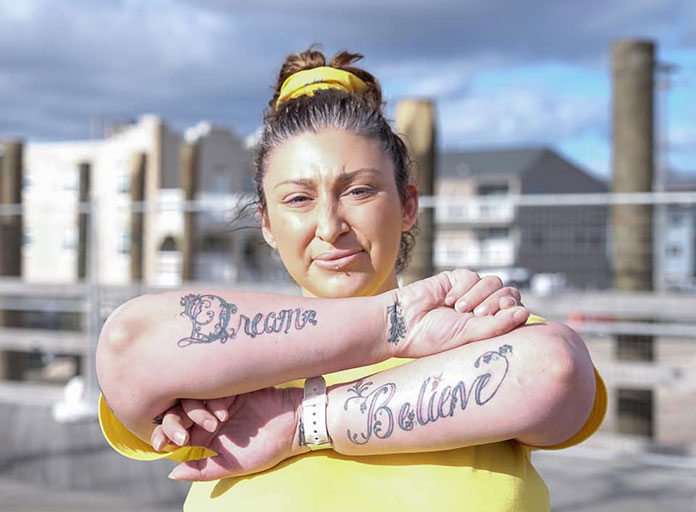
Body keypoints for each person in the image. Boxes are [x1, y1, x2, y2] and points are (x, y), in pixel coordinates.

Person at [96, 48, 606, 512]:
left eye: (359, 191)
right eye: (299, 198)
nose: (330, 226)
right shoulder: (222, 367)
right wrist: (395, 323)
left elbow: (553, 370)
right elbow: (128, 343)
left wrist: (301, 420)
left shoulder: (469, 328)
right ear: (267, 224)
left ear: (407, 205)